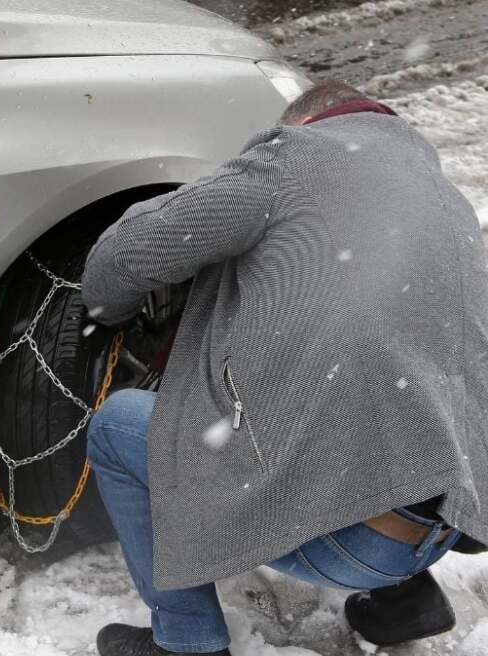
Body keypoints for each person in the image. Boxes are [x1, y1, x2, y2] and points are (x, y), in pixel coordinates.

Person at [80, 80, 488, 656]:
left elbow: (125, 257)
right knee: (385, 380)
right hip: (449, 520)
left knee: (118, 428)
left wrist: (107, 315)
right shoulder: (442, 198)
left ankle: (186, 641)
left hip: (354, 542)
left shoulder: (291, 156)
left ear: (301, 124)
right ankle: (406, 602)